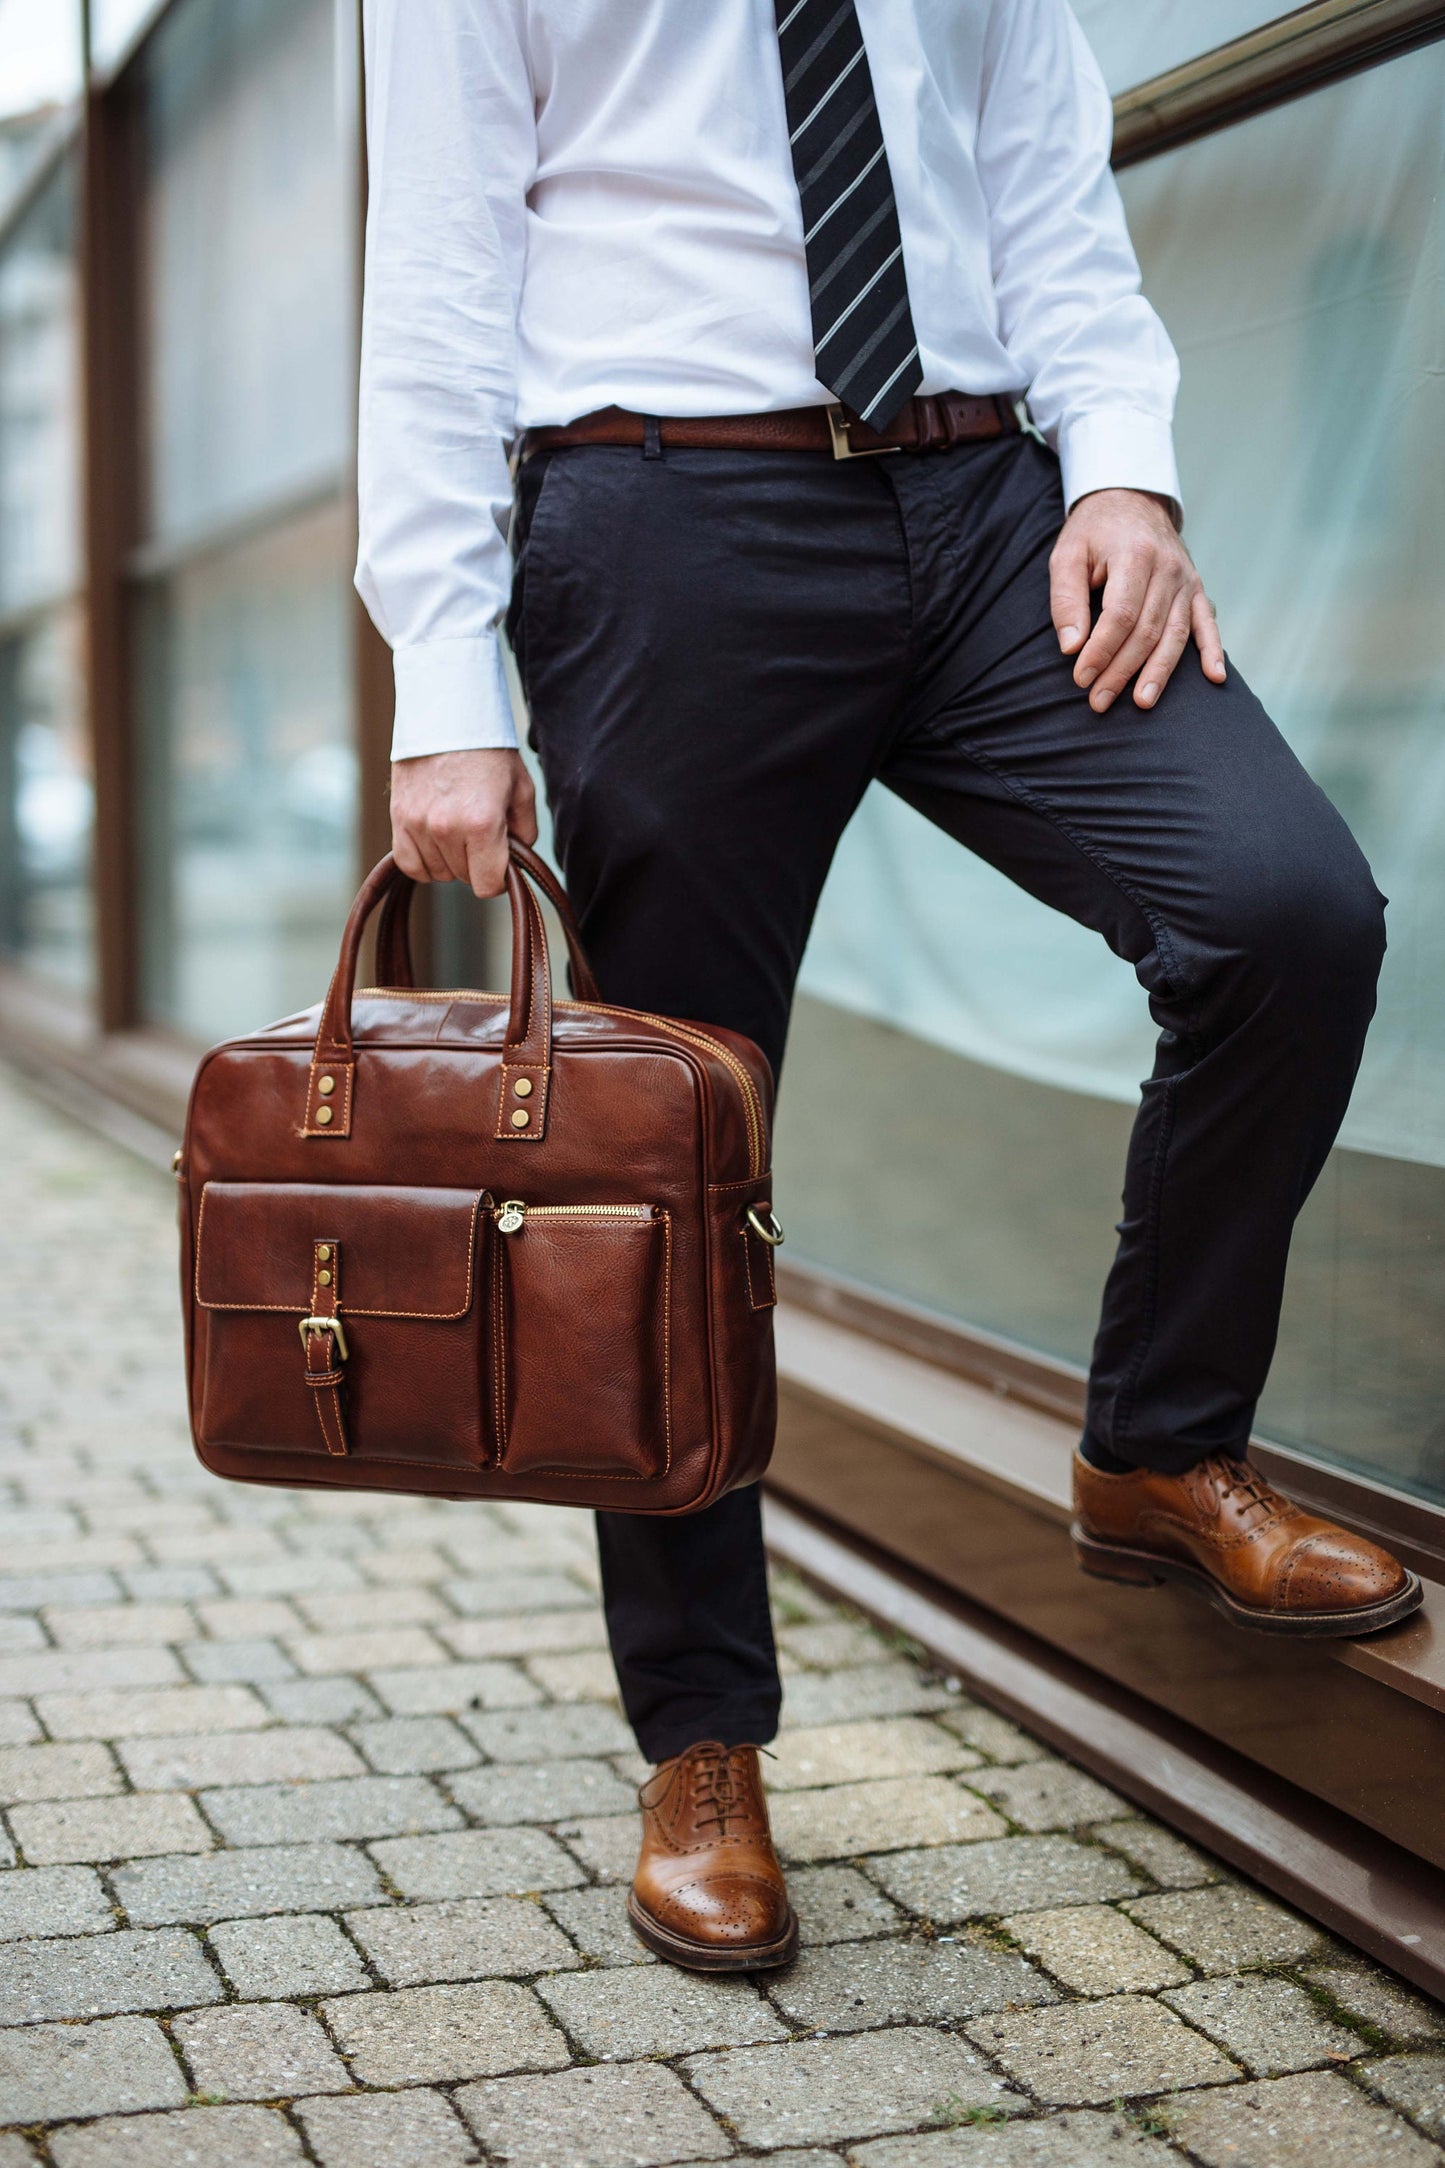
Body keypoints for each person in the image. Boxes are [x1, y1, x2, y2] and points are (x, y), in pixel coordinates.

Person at [355, 0, 1421, 1974]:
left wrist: (1125, 471)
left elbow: (1039, 162)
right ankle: (703, 1738)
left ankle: (1155, 1444)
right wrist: (443, 675)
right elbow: (436, 252)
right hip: (667, 517)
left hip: (992, 505)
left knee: (1283, 912)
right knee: (659, 1157)